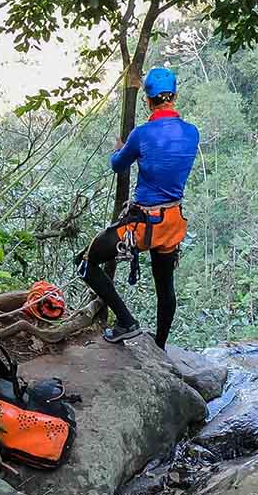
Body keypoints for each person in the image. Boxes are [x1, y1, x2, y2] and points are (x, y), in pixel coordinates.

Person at [78, 67, 199, 347]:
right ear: (175, 96)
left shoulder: (141, 134)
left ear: (147, 100)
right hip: (171, 223)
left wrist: (120, 148)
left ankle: (126, 321)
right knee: (165, 286)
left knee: (85, 262)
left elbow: (117, 165)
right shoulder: (192, 133)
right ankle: (160, 346)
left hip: (141, 225)